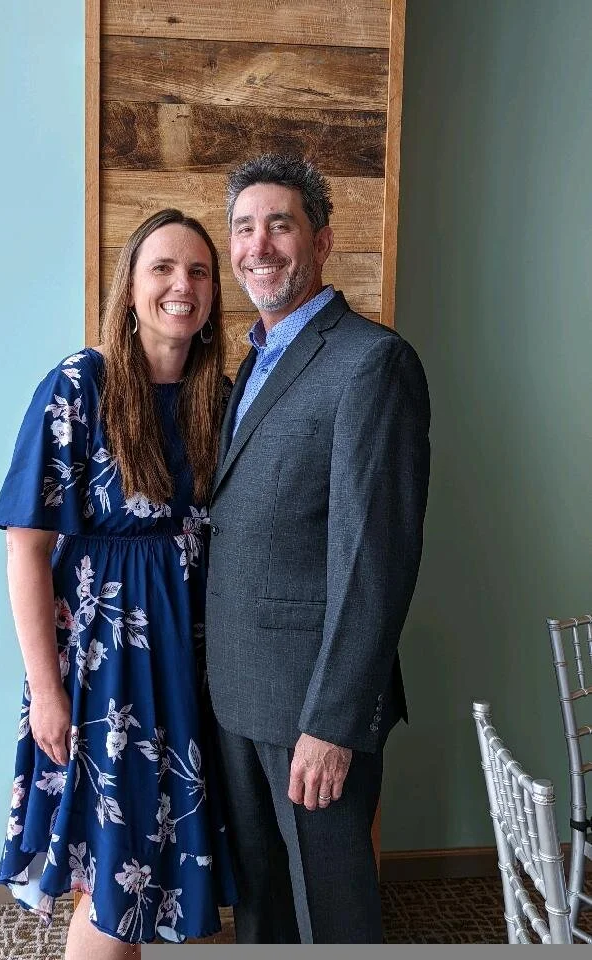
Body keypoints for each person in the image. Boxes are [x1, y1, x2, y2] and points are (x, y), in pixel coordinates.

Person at [0, 209, 237, 957]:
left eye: (197, 271)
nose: (180, 285)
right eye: (161, 268)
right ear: (129, 287)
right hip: (103, 669)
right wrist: (48, 692)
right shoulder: (80, 385)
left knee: (153, 867)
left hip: (191, 660)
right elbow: (26, 550)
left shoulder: (218, 399)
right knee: (110, 882)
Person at [205, 154, 430, 944]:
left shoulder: (371, 362)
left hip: (311, 712)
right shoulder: (251, 361)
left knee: (331, 921)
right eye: (243, 227)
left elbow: (376, 558)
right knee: (263, 911)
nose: (257, 245)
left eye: (279, 224)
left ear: (322, 239)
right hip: (236, 698)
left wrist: (333, 723)